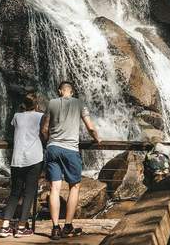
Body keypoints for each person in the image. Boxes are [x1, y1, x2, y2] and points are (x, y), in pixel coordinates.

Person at [40, 80, 100, 240]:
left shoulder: (51, 103)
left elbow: (44, 128)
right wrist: (97, 138)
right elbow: (91, 127)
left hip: (52, 148)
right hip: (71, 150)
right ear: (71, 92)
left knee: (54, 188)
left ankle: (54, 228)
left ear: (60, 91)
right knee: (75, 187)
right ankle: (67, 225)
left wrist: (47, 141)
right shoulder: (79, 103)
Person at [0, 93, 43, 238]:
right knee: (29, 193)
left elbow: (16, 125)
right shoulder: (40, 116)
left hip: (17, 159)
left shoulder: (17, 116)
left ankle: (5, 227)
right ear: (36, 105)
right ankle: (21, 227)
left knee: (14, 193)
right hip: (34, 158)